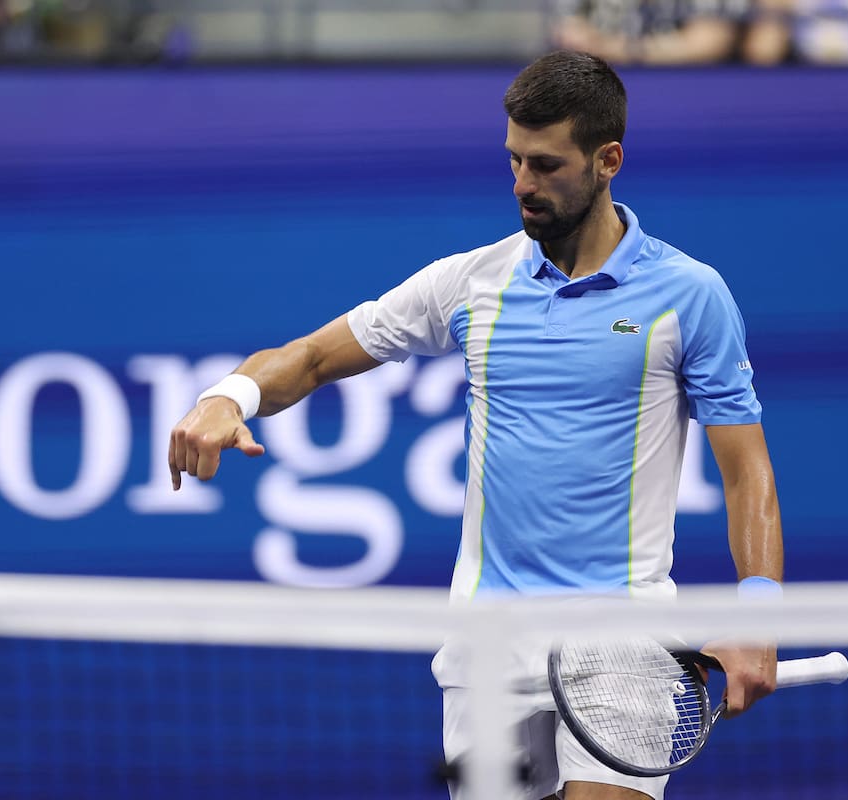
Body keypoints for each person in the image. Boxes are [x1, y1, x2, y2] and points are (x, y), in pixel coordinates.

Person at [169, 50, 784, 800]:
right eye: (515, 161)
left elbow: (746, 468)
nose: (523, 185)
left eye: (546, 165)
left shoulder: (690, 296)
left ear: (608, 160)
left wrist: (760, 613)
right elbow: (310, 358)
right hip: (486, 649)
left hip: (624, 640)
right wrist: (229, 396)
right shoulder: (471, 284)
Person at [551, 0, 750, 65]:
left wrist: (618, 48)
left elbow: (709, 43)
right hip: (595, 89)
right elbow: (568, 30)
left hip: (681, 91)